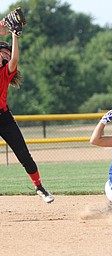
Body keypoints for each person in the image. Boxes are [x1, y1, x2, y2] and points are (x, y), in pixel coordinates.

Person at [0, 21, 54, 203]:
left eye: (8, 54)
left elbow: (15, 60)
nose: (7, 56)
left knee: (23, 154)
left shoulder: (6, 71)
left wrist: (14, 36)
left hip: (4, 118)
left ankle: (39, 187)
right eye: (4, 52)